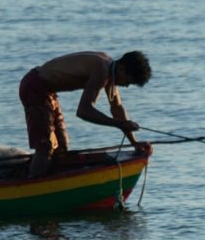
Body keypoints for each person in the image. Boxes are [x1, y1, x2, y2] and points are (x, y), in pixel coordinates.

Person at [18, 50, 151, 177]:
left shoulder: (111, 71)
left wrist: (134, 142)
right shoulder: (102, 69)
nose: (126, 86)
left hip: (48, 92)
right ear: (121, 69)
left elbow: (117, 108)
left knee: (62, 147)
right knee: (45, 146)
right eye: (127, 81)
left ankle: (49, 180)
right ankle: (31, 183)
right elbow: (84, 111)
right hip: (34, 86)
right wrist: (119, 124)